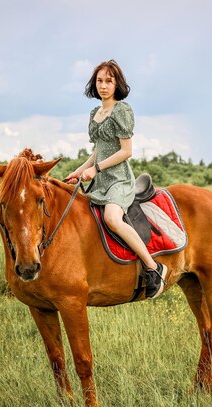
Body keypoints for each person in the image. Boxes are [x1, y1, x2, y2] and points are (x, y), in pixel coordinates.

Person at [65, 60, 168, 299]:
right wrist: (79, 171)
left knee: (112, 218)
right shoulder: (96, 113)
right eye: (100, 81)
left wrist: (97, 169)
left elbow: (126, 151)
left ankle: (153, 268)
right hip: (99, 180)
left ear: (117, 84)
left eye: (109, 81)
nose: (103, 86)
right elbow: (98, 151)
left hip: (118, 180)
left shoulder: (122, 111)